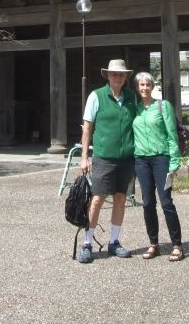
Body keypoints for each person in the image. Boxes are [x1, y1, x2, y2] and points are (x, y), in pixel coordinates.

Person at [78, 58, 137, 264]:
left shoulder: (132, 97)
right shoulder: (96, 96)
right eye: (114, 74)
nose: (117, 77)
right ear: (108, 76)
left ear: (126, 77)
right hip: (104, 156)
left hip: (127, 158)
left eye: (121, 74)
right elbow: (87, 127)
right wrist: (84, 157)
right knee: (97, 198)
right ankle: (87, 243)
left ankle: (114, 241)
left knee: (121, 198)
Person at [132, 71, 184, 261]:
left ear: (152, 87)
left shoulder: (163, 106)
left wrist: (174, 162)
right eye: (141, 85)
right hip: (141, 161)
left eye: (147, 85)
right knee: (147, 203)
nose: (144, 88)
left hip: (161, 159)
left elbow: (172, 135)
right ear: (137, 88)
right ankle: (154, 244)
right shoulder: (134, 109)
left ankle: (177, 245)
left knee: (166, 202)